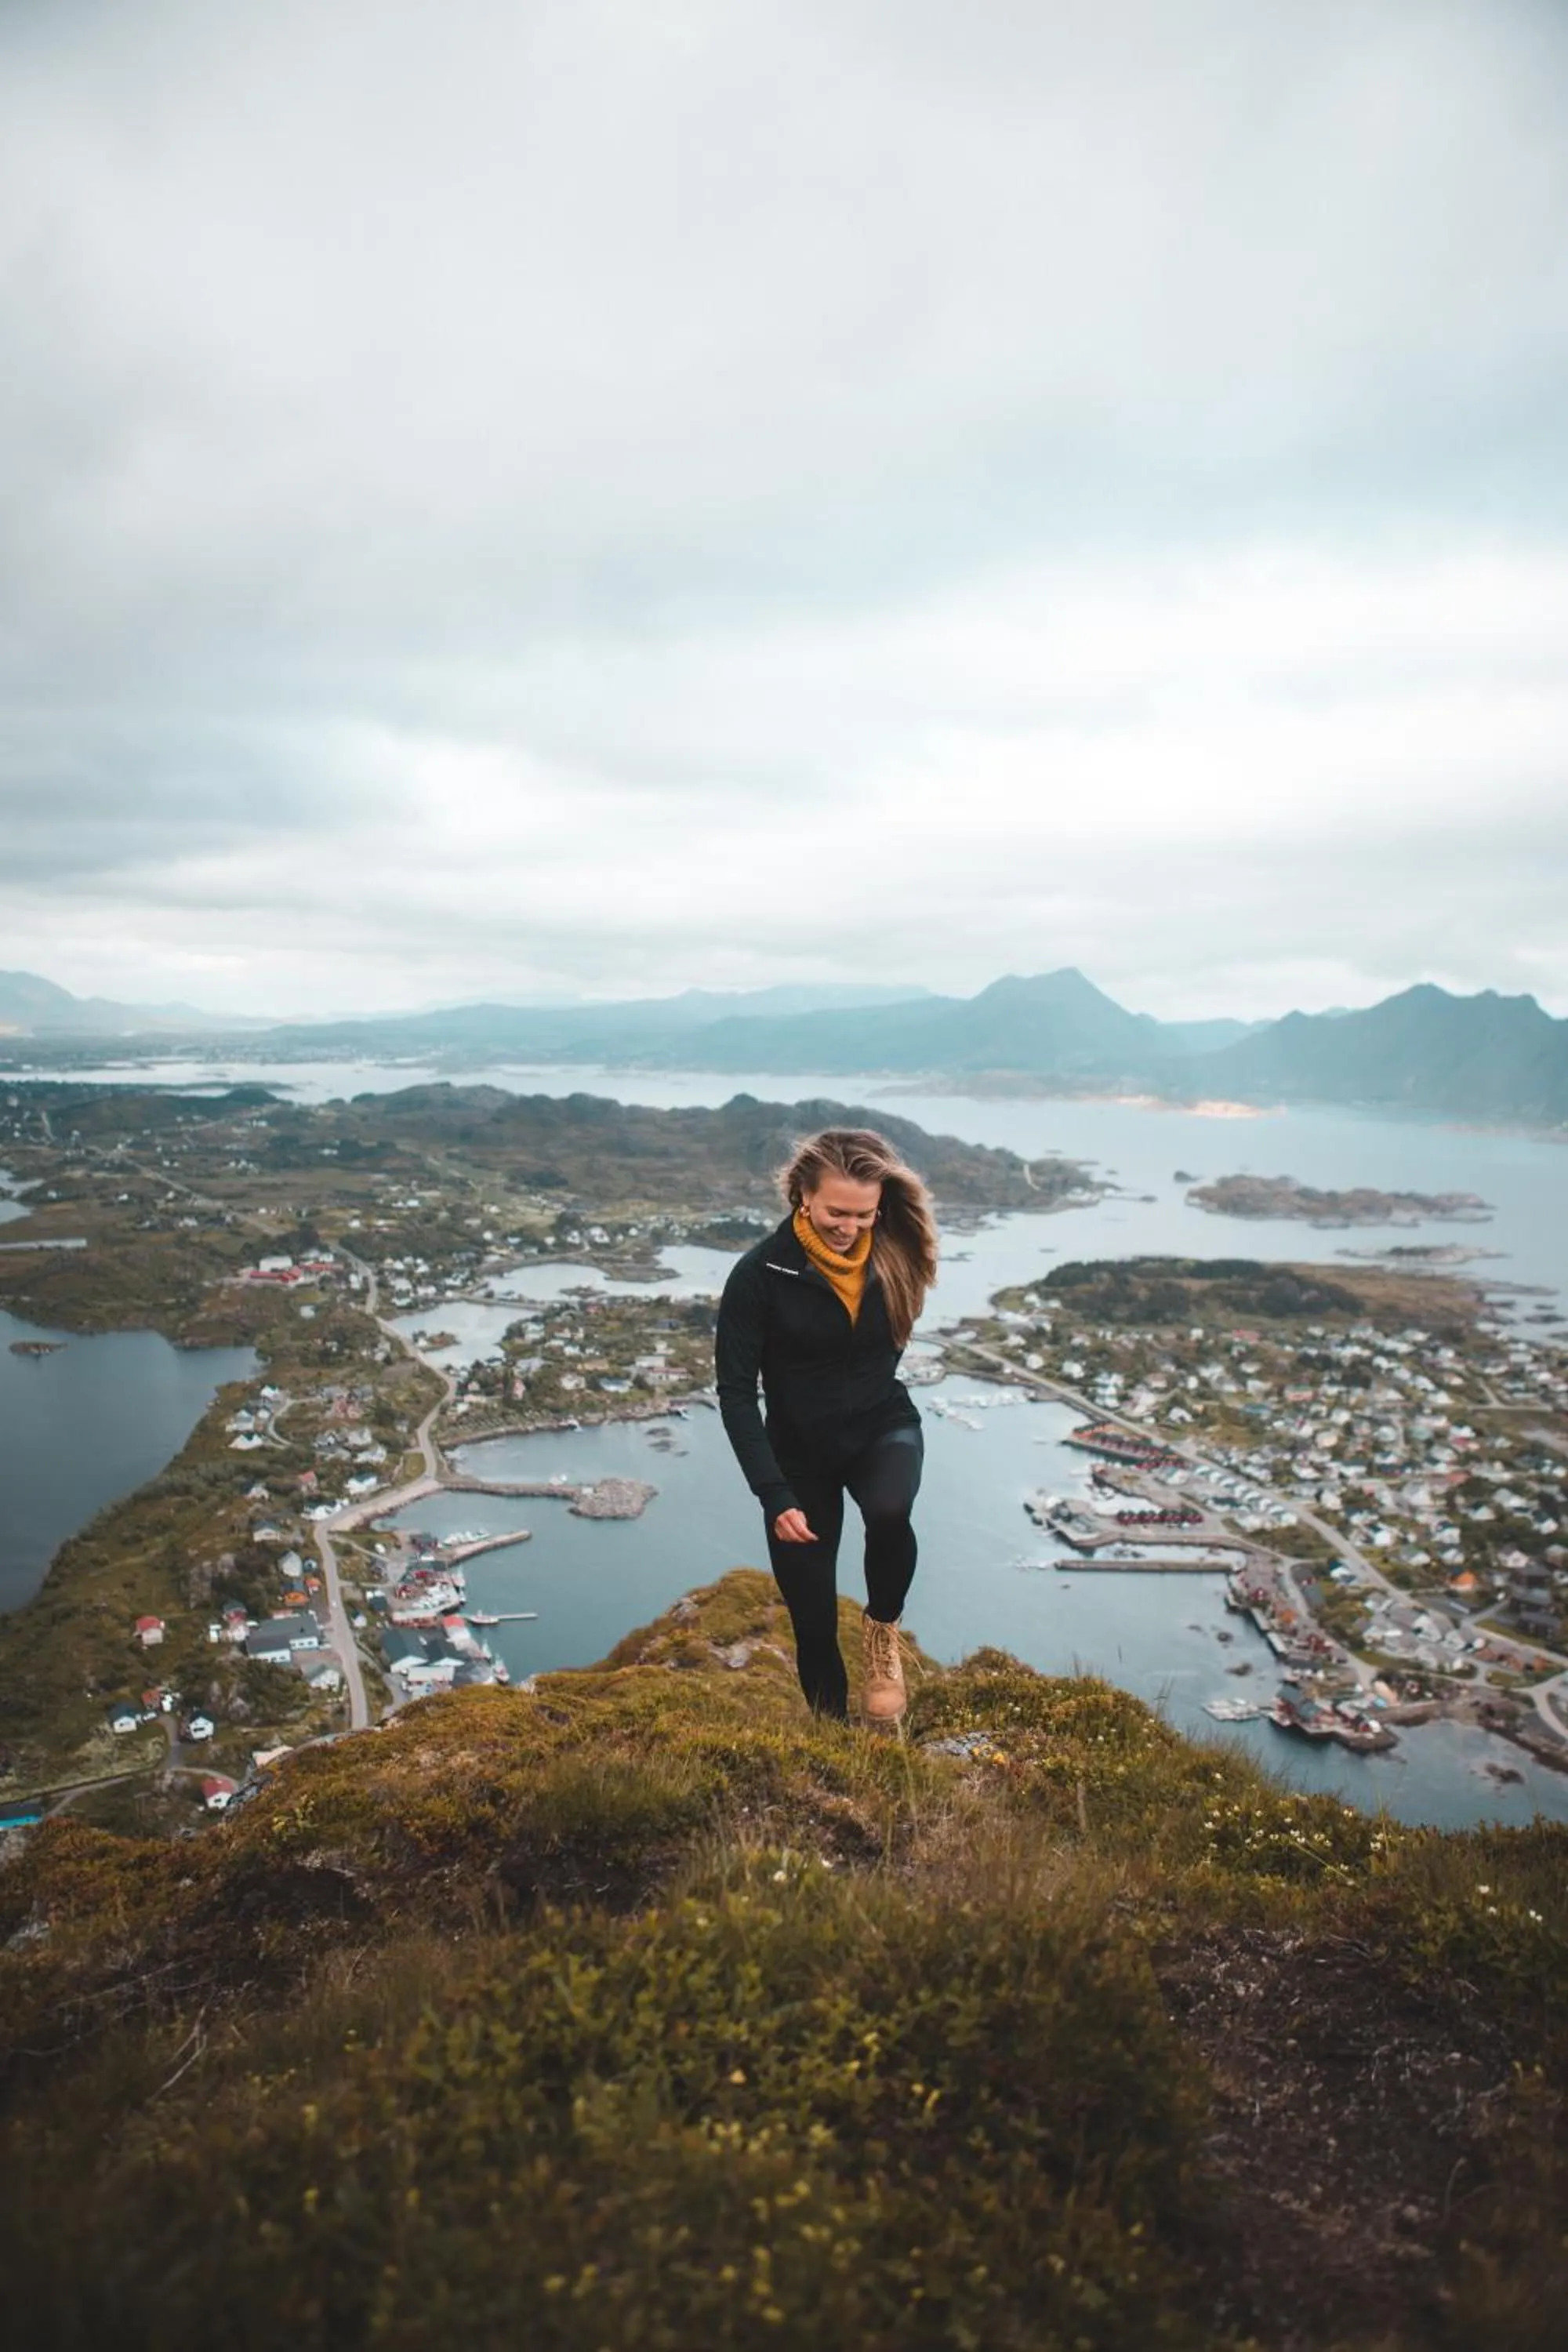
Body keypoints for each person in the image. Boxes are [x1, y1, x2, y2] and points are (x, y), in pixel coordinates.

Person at [714, 1127, 938, 1724]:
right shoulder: (759, 1274)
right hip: (798, 1456)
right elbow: (736, 1394)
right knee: (812, 1621)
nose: (850, 1226)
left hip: (880, 1427)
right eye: (837, 1212)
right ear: (804, 1197)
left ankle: (882, 1635)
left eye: (865, 1214)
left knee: (890, 1510)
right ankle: (834, 1737)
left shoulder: (895, 1256)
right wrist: (773, 1493)